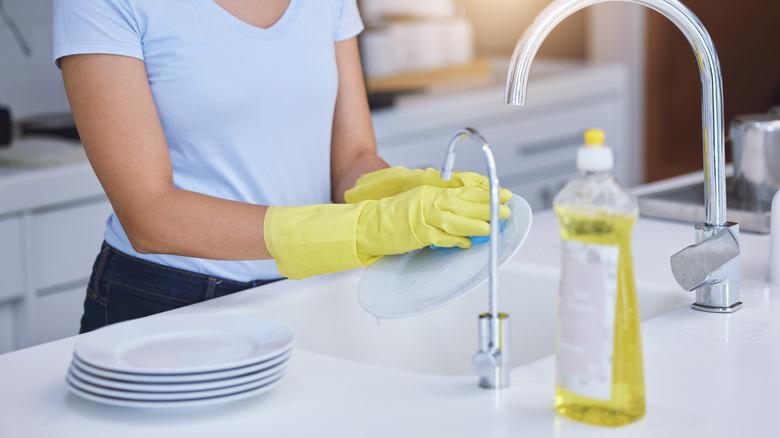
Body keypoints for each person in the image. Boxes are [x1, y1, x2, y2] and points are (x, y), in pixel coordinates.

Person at [53, 0, 510, 333]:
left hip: (312, 290)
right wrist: (363, 229)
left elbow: (350, 159)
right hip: (170, 300)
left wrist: (404, 195)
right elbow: (149, 216)